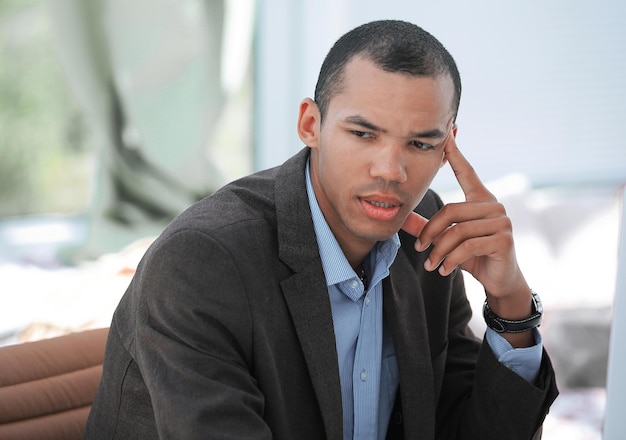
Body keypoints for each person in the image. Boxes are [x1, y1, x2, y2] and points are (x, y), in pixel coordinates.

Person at [85, 19, 558, 439]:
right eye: (363, 134)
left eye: (419, 143)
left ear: (447, 147)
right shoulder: (202, 260)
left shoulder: (428, 235)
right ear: (311, 124)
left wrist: (511, 301)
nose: (391, 171)